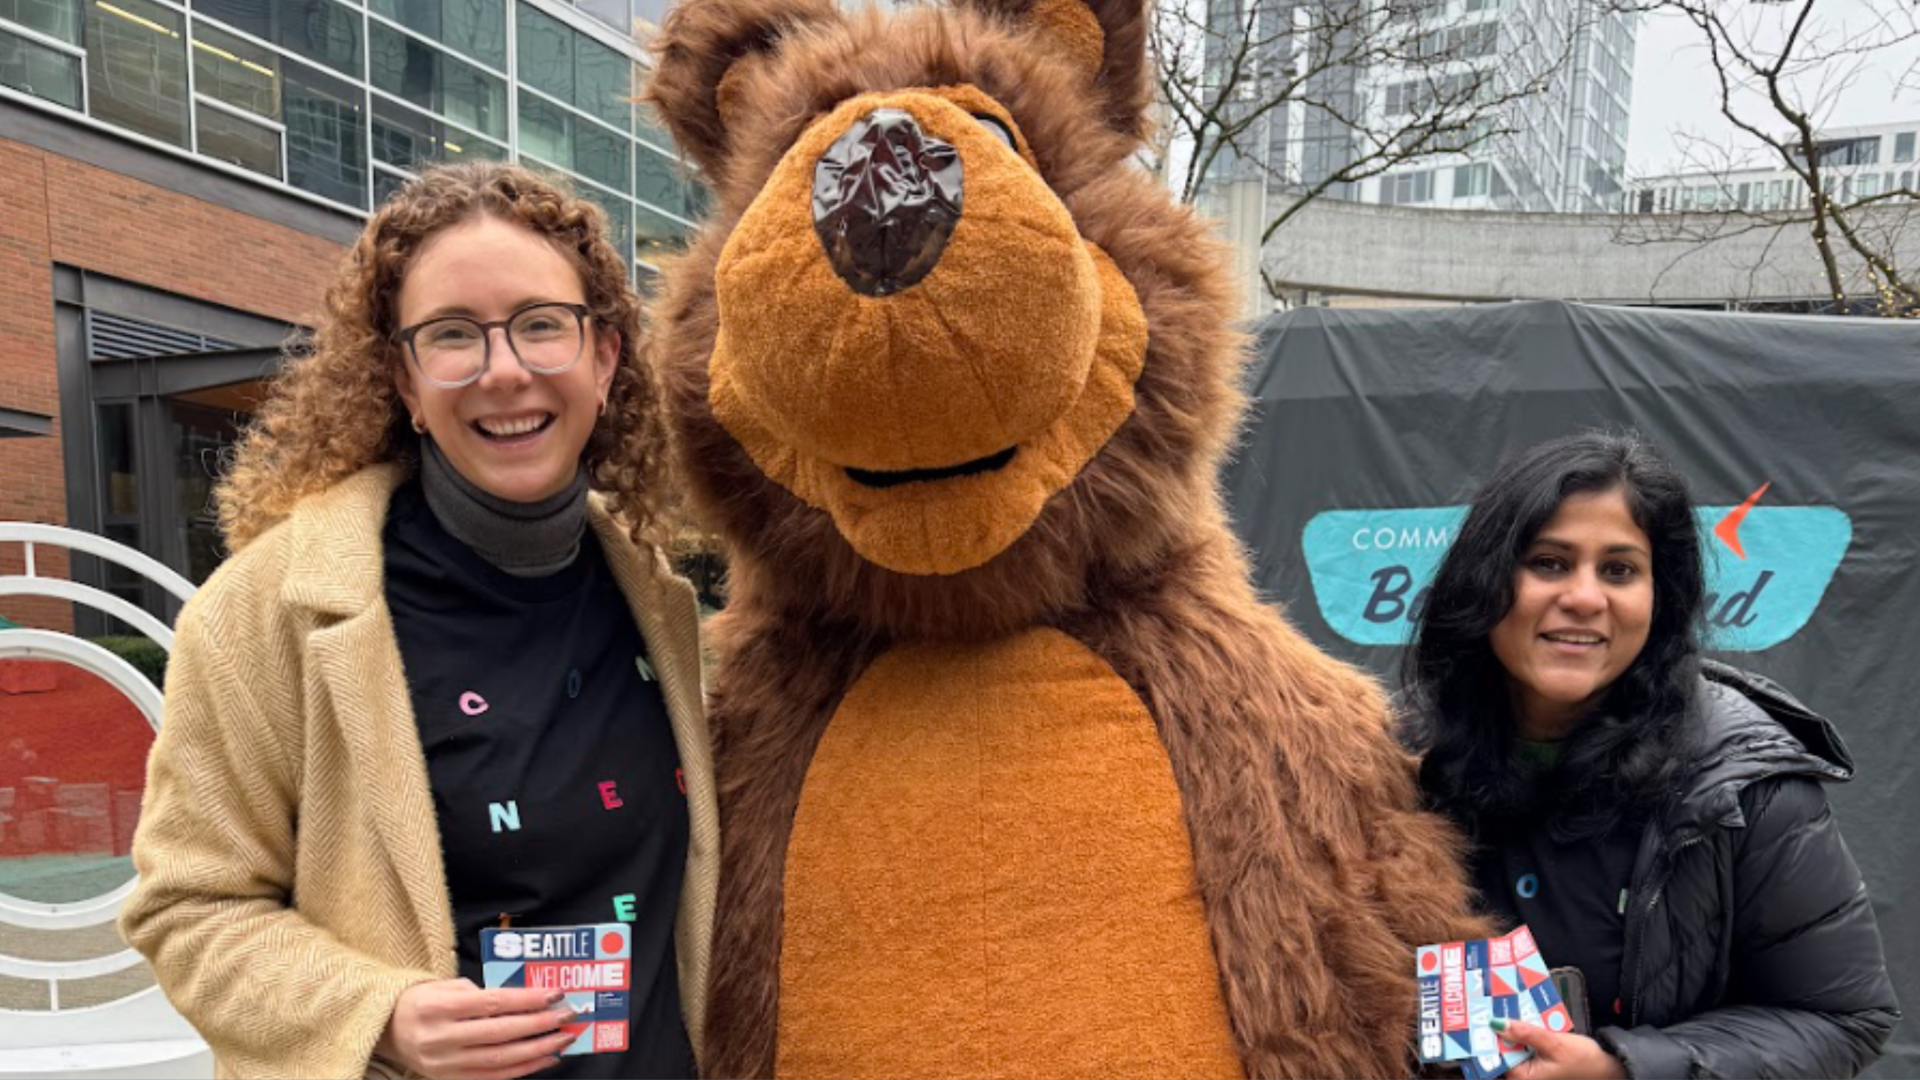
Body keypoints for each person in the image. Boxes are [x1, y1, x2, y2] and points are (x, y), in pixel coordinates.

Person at [120, 163, 717, 1080]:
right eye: (452, 336)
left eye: (541, 325)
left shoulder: (660, 605)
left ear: (604, 357)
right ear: (402, 378)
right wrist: (379, 1016)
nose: (504, 370)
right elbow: (189, 909)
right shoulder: (262, 615)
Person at [1400, 431, 1898, 1080]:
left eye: (1619, 569)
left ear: (1659, 597)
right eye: (1549, 562)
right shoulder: (1392, 766)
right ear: (1486, 579)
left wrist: (1624, 1069)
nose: (1584, 597)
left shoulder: (1744, 786)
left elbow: (1841, 1017)